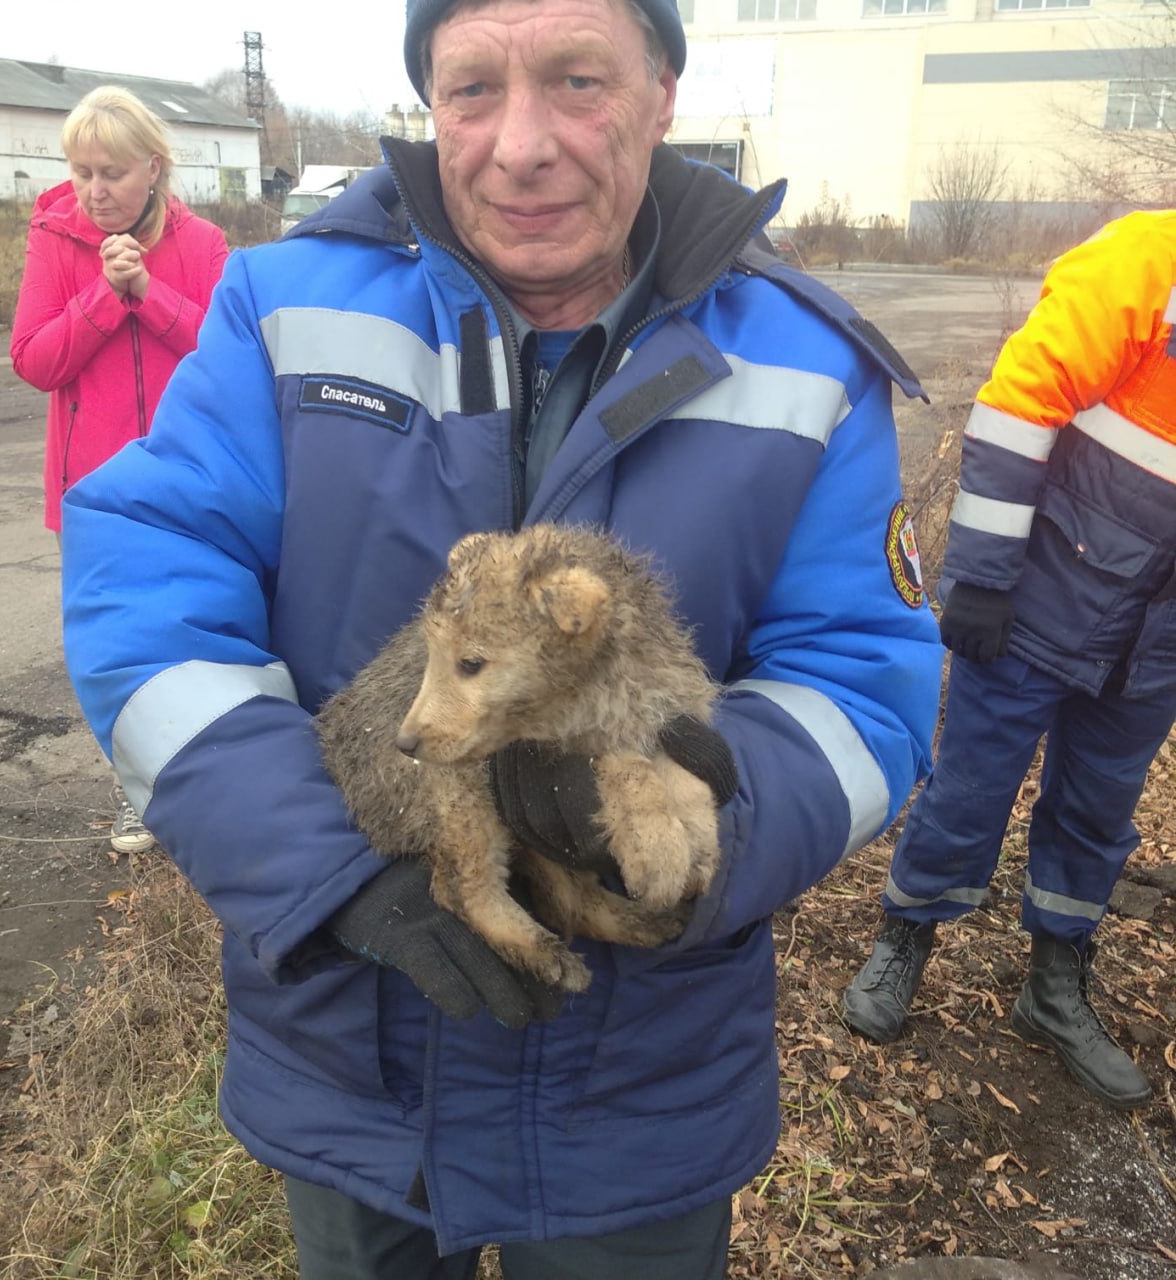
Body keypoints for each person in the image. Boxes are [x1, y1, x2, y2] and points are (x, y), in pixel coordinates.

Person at [60, 0, 942, 1274]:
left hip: (639, 1089)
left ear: (661, 95)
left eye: (577, 80)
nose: (517, 143)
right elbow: (149, 604)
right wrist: (332, 874)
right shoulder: (281, 304)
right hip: (350, 1059)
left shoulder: (808, 364)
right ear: (429, 101)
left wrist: (687, 820)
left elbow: (861, 684)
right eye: (471, 88)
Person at [842, 209, 1176, 1111]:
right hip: (1040, 601)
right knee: (972, 785)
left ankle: (1053, 985)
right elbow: (1020, 404)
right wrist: (983, 582)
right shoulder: (1150, 261)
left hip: (1155, 647)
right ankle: (907, 934)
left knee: (1098, 812)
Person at [11, 84, 229, 856]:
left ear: (154, 171)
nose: (94, 191)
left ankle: (204, 785)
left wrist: (150, 294)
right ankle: (135, 789)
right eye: (81, 172)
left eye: (111, 172)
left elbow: (226, 354)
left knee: (196, 636)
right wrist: (105, 296)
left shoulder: (203, 245)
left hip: (187, 481)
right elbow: (35, 361)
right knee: (113, 648)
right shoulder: (54, 238)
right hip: (92, 493)